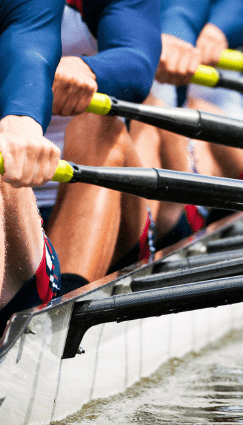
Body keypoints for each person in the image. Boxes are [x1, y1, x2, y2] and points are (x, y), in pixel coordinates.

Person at [34, 0, 161, 288]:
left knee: (97, 121)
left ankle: (64, 300)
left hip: (97, 199)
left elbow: (138, 62)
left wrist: (88, 68)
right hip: (16, 201)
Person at [129, 0, 243, 248]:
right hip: (168, 121)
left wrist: (215, 32)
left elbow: (239, 7)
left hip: (226, 125)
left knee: (197, 111)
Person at [0, 0, 65, 331]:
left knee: (101, 128)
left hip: (22, 239)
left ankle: (76, 292)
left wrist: (20, 118)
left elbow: (30, 40)